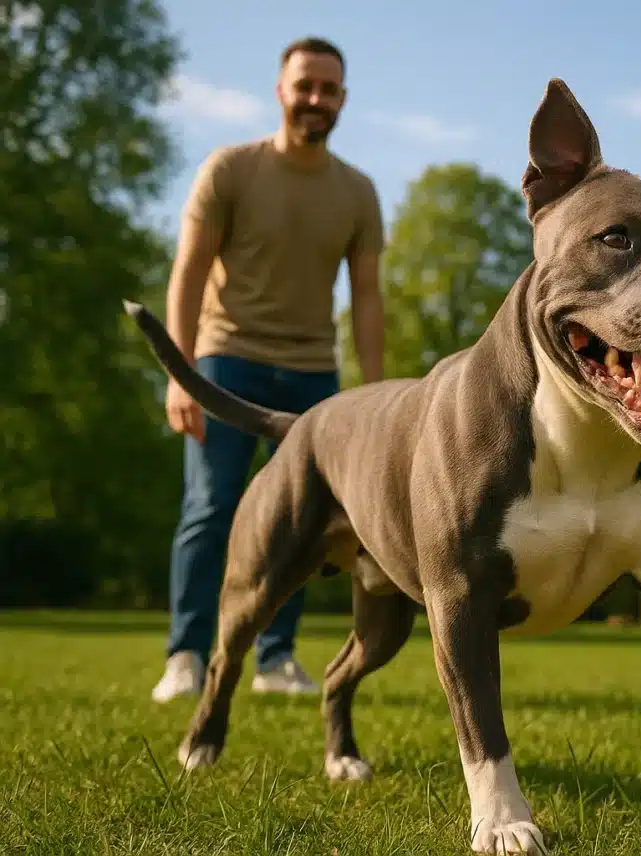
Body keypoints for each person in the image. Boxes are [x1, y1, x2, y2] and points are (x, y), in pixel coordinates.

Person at [150, 36, 386, 703]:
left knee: (307, 525)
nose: (317, 99)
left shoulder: (358, 193)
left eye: (330, 89)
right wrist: (181, 372)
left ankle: (277, 659)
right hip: (226, 361)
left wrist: (374, 394)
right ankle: (186, 656)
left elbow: (367, 296)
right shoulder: (230, 170)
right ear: (281, 90)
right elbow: (189, 270)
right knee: (211, 506)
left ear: (342, 99)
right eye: (305, 85)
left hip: (314, 378)